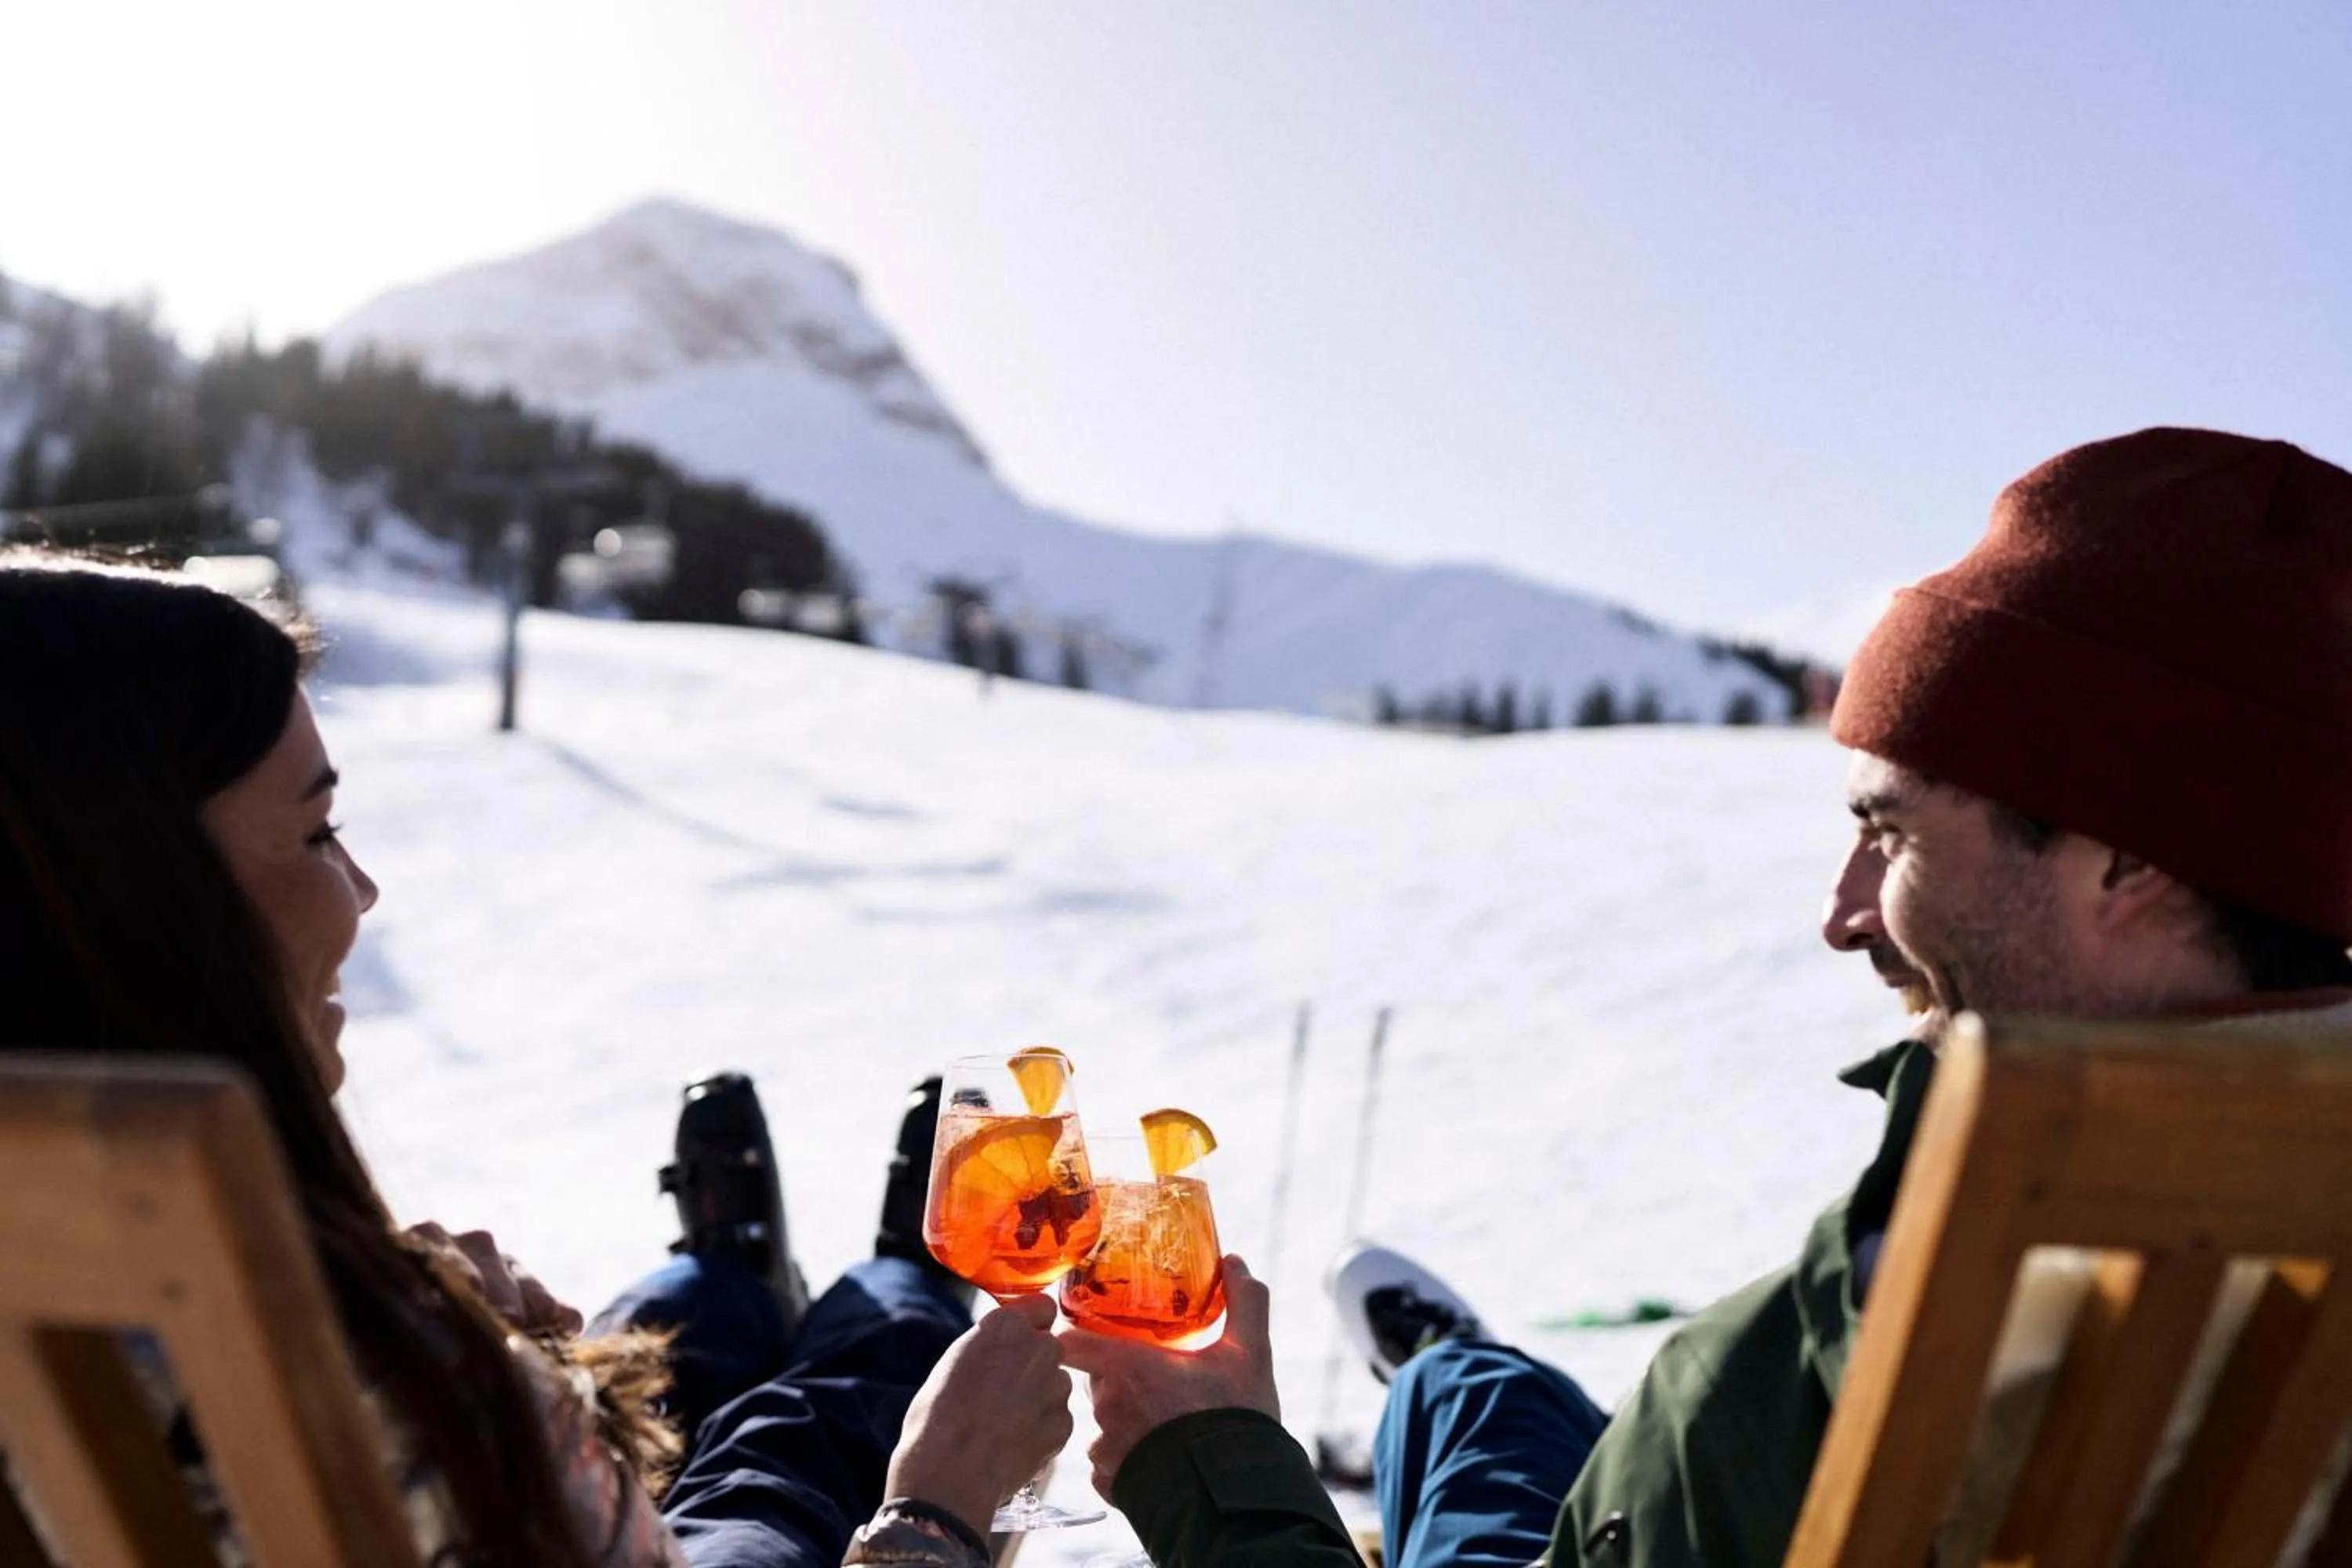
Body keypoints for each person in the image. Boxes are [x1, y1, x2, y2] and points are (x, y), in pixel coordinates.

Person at [1065, 426, 2352, 1566]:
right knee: (1483, 1397)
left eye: (1890, 836)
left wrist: (1208, 1467)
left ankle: (1444, 1372)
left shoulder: (1984, 1293)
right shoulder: (2290, 1226)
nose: (1844, 912)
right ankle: (1451, 1362)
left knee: (1467, 1419)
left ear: (2124, 857)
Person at [0, 553, 1069, 1568]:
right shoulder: (338, 1388)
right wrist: (941, 1513)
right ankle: (906, 1284)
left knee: (686, 1320)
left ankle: (738, 1267)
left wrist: (457, 1338)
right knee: (785, 1452)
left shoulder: (108, 1300)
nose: (361, 889)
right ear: (139, 905)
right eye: (320, 832)